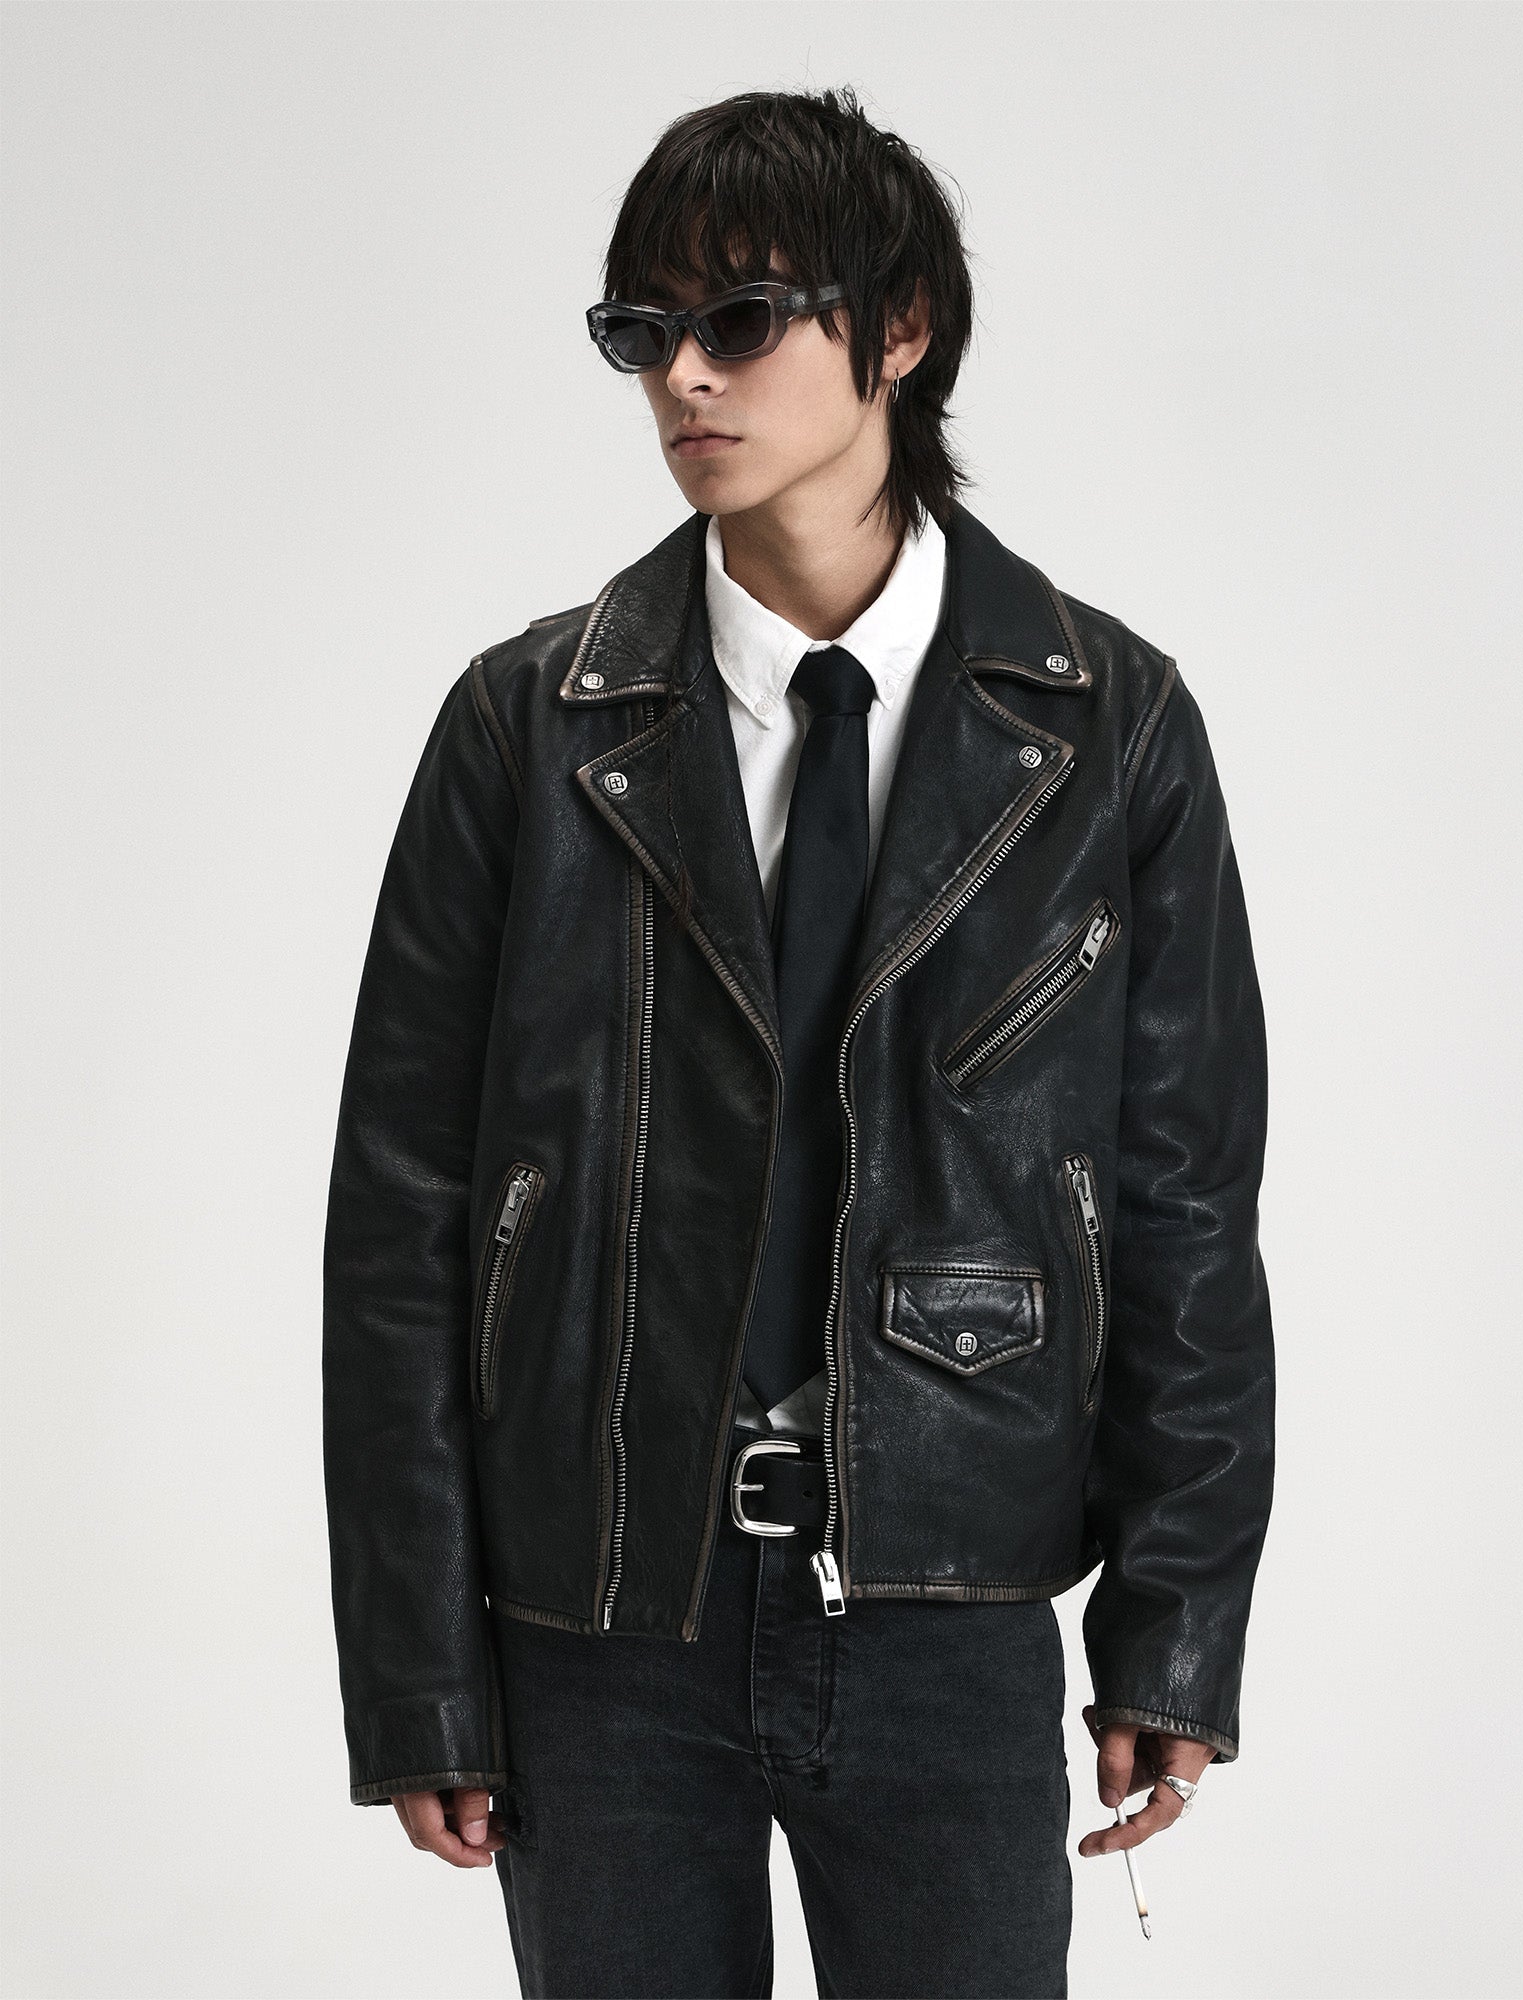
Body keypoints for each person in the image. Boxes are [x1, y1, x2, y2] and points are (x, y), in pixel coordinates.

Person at [322, 84, 1275, 2000]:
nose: (683, 376)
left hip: (953, 1604)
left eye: (740, 318)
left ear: (899, 329)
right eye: (642, 331)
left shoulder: (1109, 732)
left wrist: (1174, 1628)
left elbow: (1182, 1202)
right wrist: (419, 1667)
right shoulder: (525, 727)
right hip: (599, 1621)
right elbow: (404, 1219)